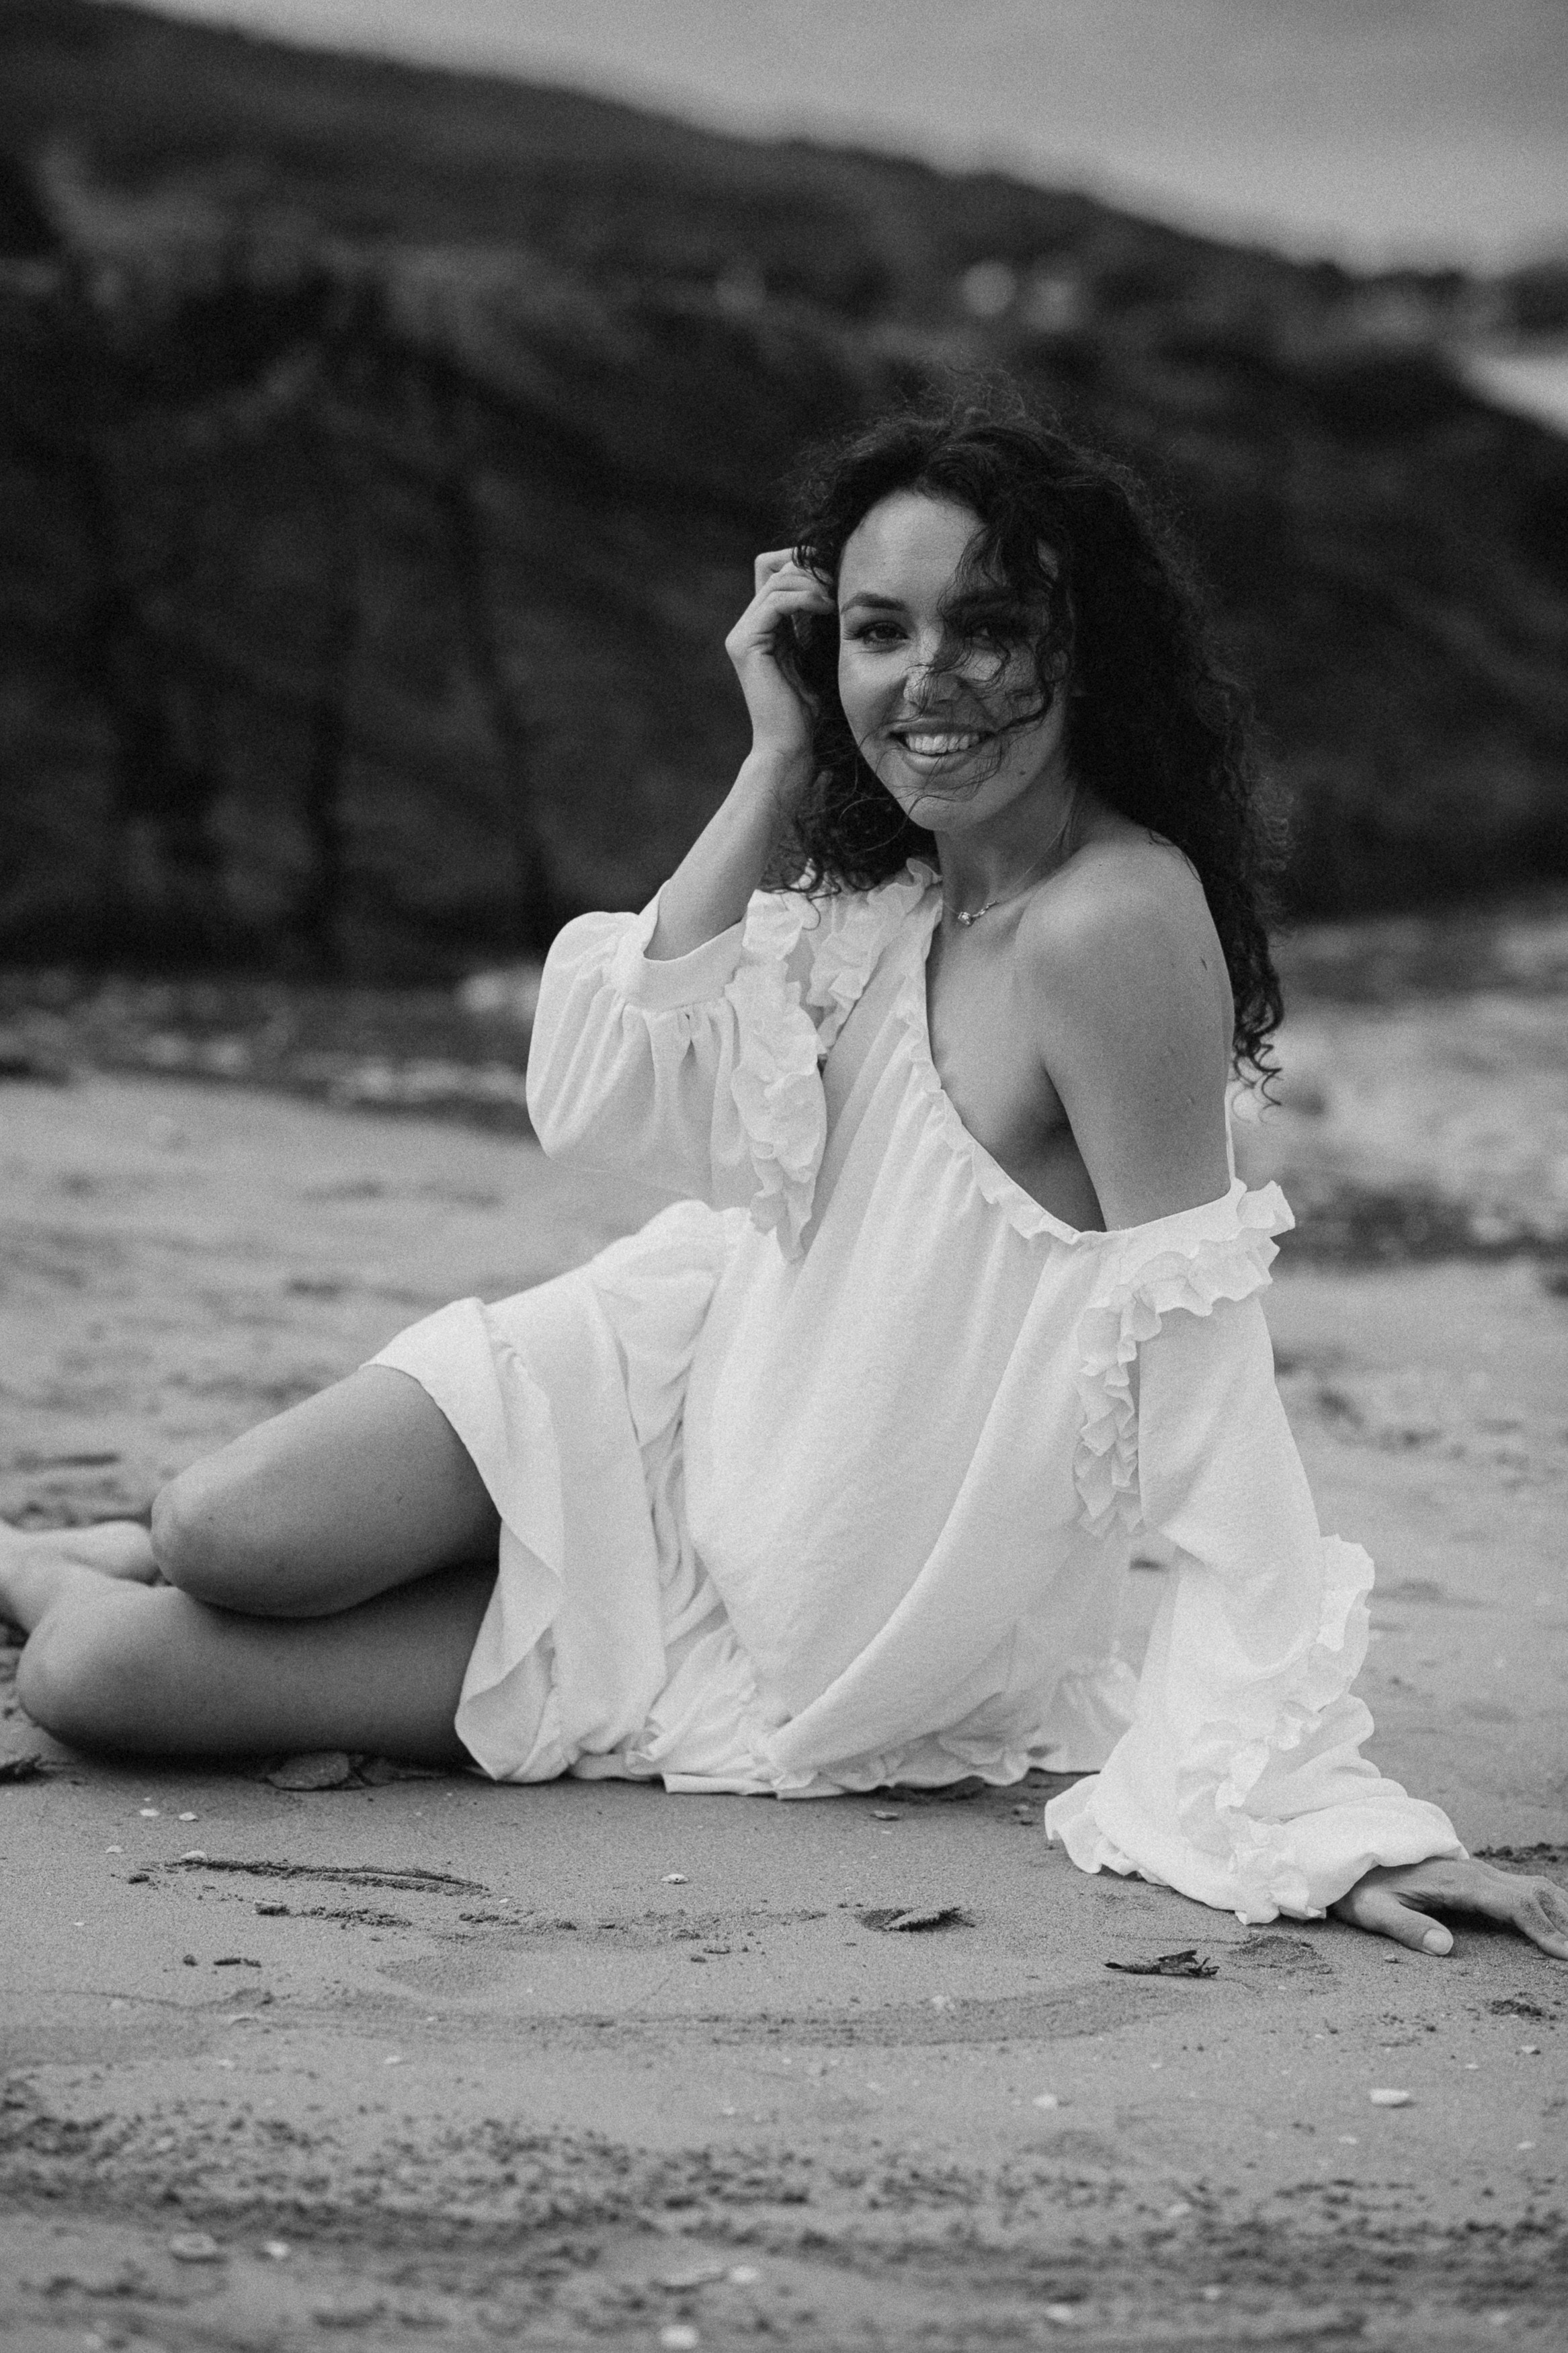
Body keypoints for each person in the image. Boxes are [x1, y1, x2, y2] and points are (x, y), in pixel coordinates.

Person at [3, 393, 1564, 1964]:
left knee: (93, 1681)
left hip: (804, 1624)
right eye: (879, 632)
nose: (931, 681)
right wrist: (776, 752)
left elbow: (1202, 1353)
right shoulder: (893, 890)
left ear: (1084, 649)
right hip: (671, 1384)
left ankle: (52, 1570)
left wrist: (1312, 1810)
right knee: (216, 1529)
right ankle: (150, 1551)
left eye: (990, 628)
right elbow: (600, 1100)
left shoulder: (1112, 926)